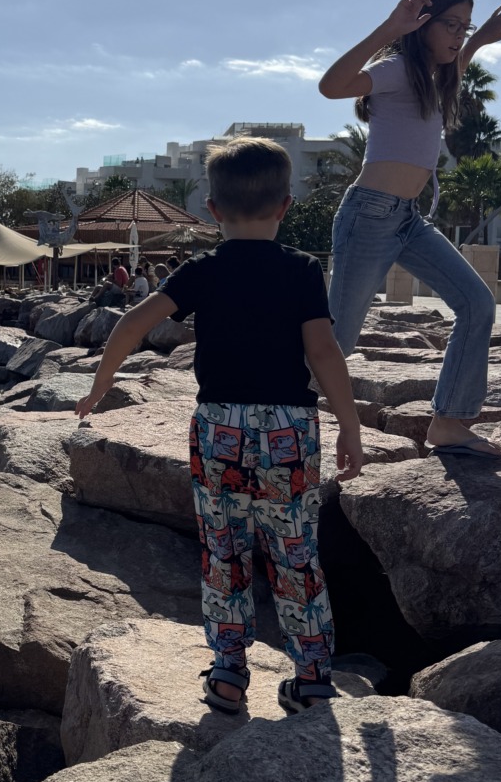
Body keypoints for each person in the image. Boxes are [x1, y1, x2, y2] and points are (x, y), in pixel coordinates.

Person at [75, 137, 364, 716]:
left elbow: (131, 324)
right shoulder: (303, 269)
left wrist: (100, 385)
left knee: (224, 551)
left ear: (211, 210)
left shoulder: (200, 271)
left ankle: (229, 673)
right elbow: (324, 352)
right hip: (289, 429)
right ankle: (311, 678)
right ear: (285, 206)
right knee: (295, 551)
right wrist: (350, 426)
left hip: (219, 429)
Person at [318, 0, 501, 458]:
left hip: (408, 219)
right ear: (422, 24)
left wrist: (479, 40)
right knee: (337, 340)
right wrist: (390, 27)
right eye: (450, 24)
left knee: (477, 303)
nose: (458, 35)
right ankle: (268, 402)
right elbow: (331, 86)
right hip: (369, 215)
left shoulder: (432, 77)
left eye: (463, 26)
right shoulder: (395, 68)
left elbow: (457, 66)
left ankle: (449, 422)